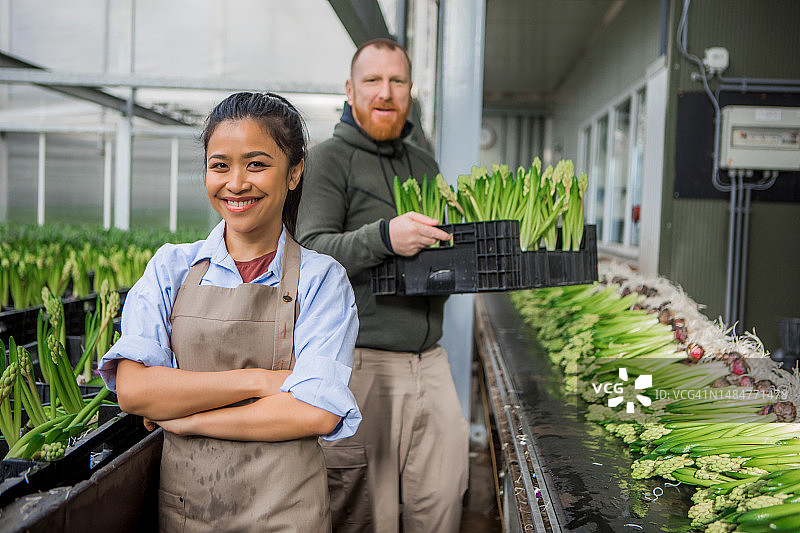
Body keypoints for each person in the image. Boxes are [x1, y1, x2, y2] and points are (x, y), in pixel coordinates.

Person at [98, 92, 361, 533]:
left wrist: (188, 419)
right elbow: (134, 390)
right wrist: (260, 381)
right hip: (190, 510)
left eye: (256, 164)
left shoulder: (322, 280)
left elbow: (315, 412)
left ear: (294, 172)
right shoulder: (171, 268)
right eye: (220, 165)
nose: (236, 183)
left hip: (287, 512)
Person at [296, 39, 469, 533]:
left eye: (397, 81)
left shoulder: (424, 163)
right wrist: (384, 236)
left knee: (442, 496)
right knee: (368, 512)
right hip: (364, 362)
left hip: (431, 359)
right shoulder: (328, 160)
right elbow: (310, 252)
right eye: (373, 81)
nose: (385, 92)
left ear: (410, 91)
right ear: (350, 90)